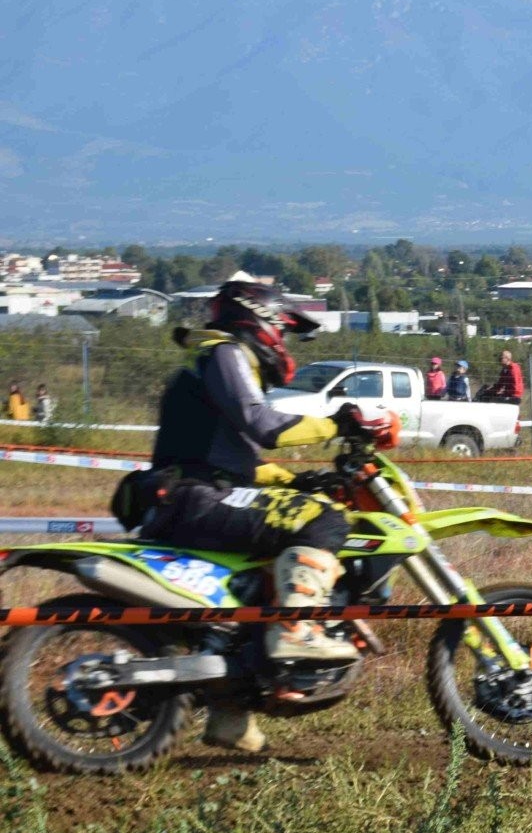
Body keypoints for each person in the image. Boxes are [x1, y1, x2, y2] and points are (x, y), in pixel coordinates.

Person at [116, 277, 398, 753]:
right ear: (261, 320)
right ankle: (298, 629)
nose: (284, 344)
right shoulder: (225, 353)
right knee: (324, 522)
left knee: (265, 572)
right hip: (196, 499)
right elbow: (263, 426)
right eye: (283, 331)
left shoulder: (213, 361)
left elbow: (234, 462)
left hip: (193, 494)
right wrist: (338, 423)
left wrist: (297, 481)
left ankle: (231, 711)